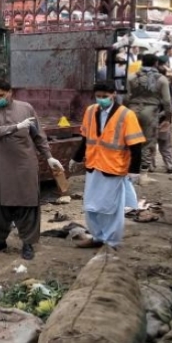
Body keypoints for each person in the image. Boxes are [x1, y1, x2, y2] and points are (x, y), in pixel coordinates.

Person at [0, 78, 63, 260]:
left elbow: (38, 136)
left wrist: (49, 157)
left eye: (0, 95)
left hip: (24, 163)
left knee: (27, 201)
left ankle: (28, 243)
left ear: (10, 92)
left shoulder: (26, 108)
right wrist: (17, 126)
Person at [69, 81, 145, 249]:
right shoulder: (90, 111)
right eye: (98, 96)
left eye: (105, 96)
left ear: (114, 95)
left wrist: (134, 170)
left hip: (114, 168)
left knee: (110, 208)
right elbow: (85, 138)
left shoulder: (126, 115)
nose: (101, 99)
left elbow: (136, 145)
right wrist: (76, 157)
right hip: (94, 165)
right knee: (91, 205)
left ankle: (111, 241)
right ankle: (97, 236)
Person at [126, 54, 171, 172]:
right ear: (156, 63)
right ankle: (143, 170)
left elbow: (125, 97)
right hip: (151, 111)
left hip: (132, 110)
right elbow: (167, 101)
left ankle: (130, 166)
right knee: (147, 141)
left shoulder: (131, 77)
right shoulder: (161, 79)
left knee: (130, 139)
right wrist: (167, 117)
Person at [153, 56, 172, 173]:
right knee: (165, 144)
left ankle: (151, 165)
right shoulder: (169, 87)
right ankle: (168, 164)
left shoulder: (150, 86)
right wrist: (165, 112)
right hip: (164, 119)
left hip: (155, 119)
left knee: (152, 144)